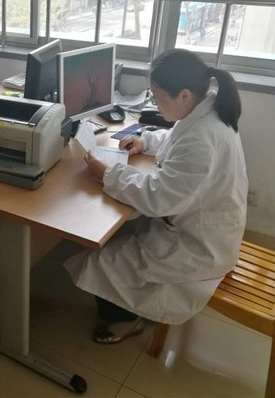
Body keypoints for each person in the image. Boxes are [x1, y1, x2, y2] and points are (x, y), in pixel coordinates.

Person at [64, 48, 247, 344]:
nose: (156, 105)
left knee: (100, 264)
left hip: (200, 244)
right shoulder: (207, 112)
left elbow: (158, 197)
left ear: (184, 95)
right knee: (126, 231)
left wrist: (108, 174)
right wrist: (145, 141)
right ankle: (131, 305)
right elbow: (176, 140)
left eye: (159, 98)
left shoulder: (203, 137)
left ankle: (126, 320)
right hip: (201, 225)